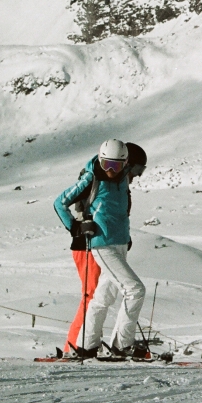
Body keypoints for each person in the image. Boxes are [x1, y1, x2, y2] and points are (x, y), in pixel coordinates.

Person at [54, 138, 147, 359]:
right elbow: (60, 202)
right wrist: (76, 227)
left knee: (102, 297)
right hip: (102, 244)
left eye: (117, 166)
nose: (112, 171)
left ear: (126, 163)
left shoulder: (124, 178)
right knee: (135, 290)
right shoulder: (92, 178)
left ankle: (85, 346)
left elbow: (119, 212)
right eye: (107, 165)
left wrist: (126, 237)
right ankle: (122, 345)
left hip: (120, 243)